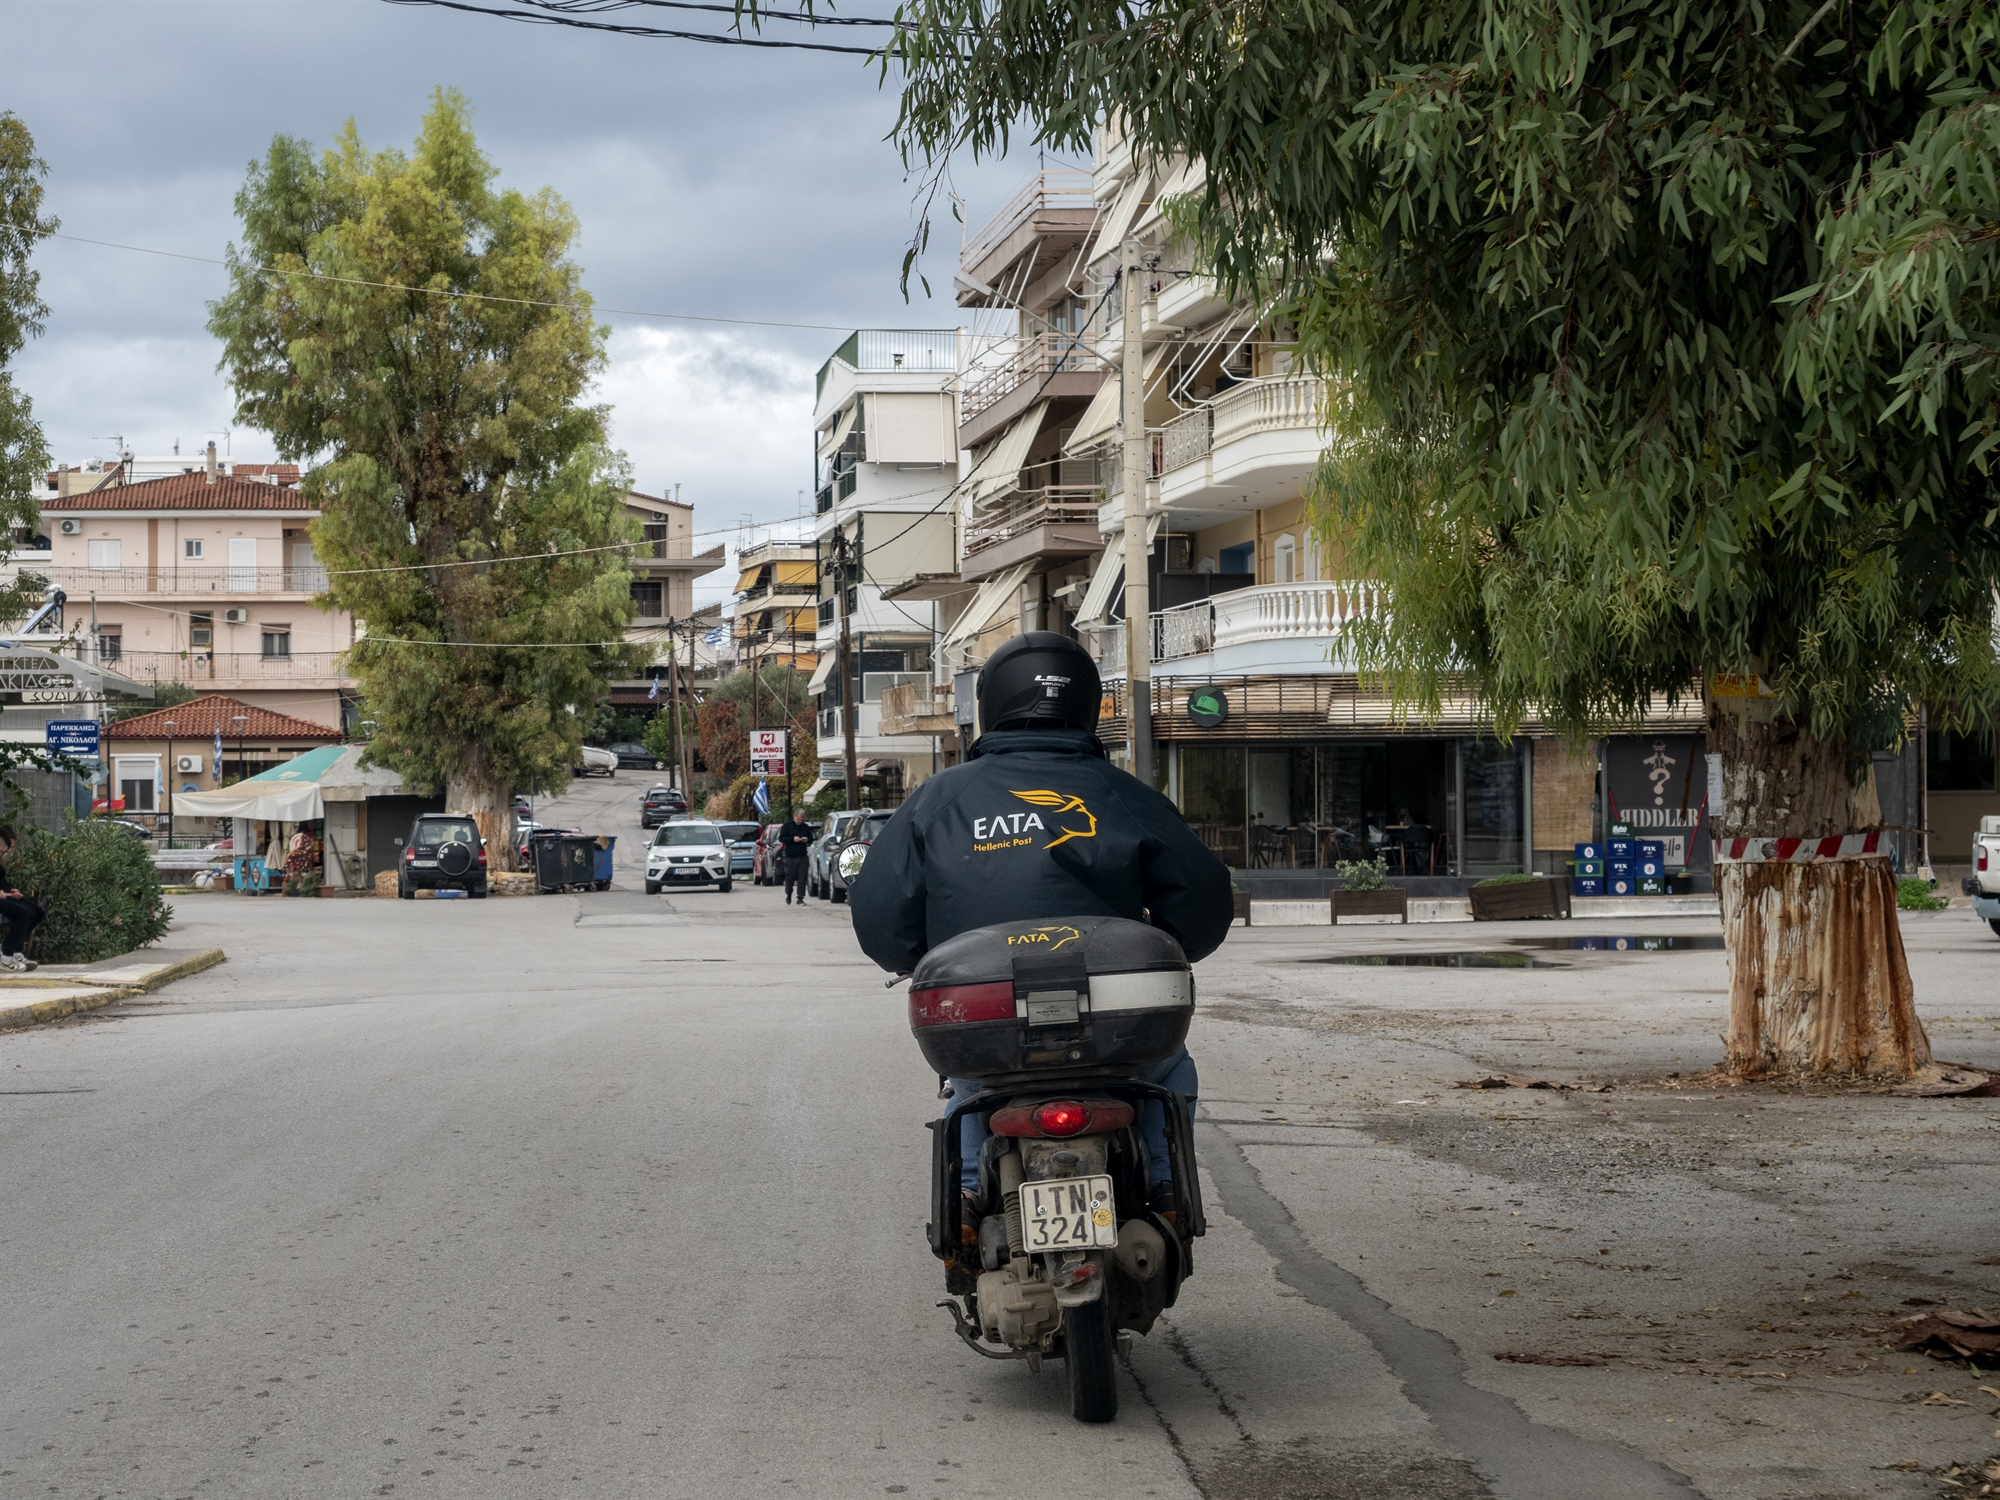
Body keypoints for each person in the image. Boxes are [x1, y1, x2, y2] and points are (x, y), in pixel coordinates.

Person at [848, 631, 1232, 1213]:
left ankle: (968, 1198)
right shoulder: (1125, 793)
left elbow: (881, 911)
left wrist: (922, 960)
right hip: (1116, 1009)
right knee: (1169, 1067)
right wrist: (1171, 944)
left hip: (983, 1012)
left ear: (991, 703)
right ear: (1084, 704)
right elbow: (1202, 899)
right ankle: (1164, 1184)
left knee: (971, 1085)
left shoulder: (939, 798)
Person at [0, 824, 44, 972]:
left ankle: (15, 951)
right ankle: (6, 955)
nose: (6, 853)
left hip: (3, 894)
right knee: (23, 913)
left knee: (36, 912)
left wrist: (9, 891)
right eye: (3, 850)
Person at [775, 805, 814, 905]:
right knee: (790, 878)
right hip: (790, 856)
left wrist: (806, 839)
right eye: (798, 819)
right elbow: (781, 838)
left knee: (802, 878)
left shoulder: (805, 827)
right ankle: (788, 894)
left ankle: (800, 898)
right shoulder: (787, 826)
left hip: (802, 856)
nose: (799, 821)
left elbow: (811, 839)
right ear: (794, 817)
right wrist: (793, 839)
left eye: (801, 819)